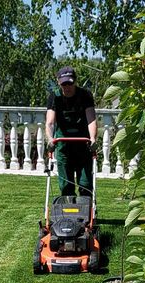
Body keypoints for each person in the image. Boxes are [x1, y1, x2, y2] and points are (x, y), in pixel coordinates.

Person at [45, 66, 97, 197]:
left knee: (85, 184)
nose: (67, 87)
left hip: (83, 146)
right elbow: (50, 122)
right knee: (66, 185)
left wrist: (93, 139)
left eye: (70, 83)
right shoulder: (54, 97)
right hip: (63, 146)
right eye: (64, 84)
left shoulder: (85, 96)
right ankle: (68, 215)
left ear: (75, 81)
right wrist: (50, 139)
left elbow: (91, 119)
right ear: (58, 82)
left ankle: (86, 214)